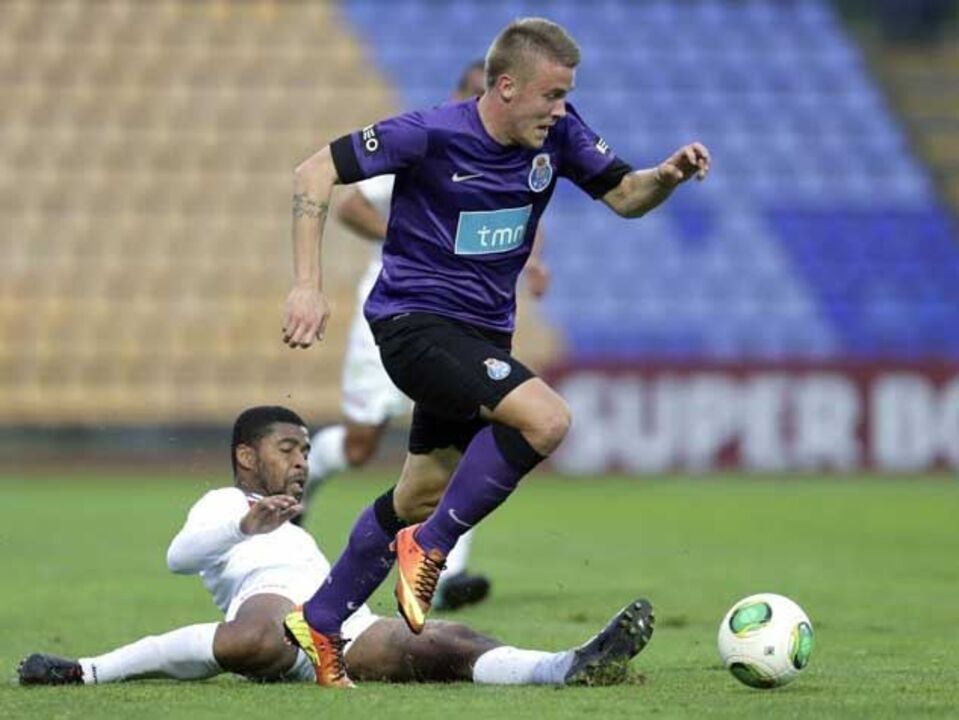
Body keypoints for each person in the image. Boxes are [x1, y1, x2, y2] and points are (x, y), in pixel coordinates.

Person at [281, 17, 708, 686]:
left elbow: (626, 195)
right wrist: (306, 287)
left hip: (479, 337)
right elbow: (313, 173)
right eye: (550, 94)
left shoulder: (559, 137)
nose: (561, 109)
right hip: (413, 324)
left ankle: (320, 620)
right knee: (546, 420)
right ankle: (433, 550)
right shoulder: (426, 133)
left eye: (566, 95)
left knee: (419, 491)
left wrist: (668, 175)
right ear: (505, 87)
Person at [17, 406, 654, 688]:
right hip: (268, 615)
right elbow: (178, 557)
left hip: (338, 625)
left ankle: (564, 666)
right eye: (288, 449)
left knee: (443, 645)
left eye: (305, 451)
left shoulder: (290, 524)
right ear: (246, 455)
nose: (302, 462)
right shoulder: (226, 505)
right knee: (256, 633)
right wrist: (247, 525)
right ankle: (89, 669)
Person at [302, 59, 550, 612]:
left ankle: (437, 566)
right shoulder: (431, 143)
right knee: (364, 444)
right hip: (402, 312)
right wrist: (421, 236)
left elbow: (522, 217)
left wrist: (533, 261)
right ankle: (309, 481)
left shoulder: (517, 157)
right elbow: (350, 204)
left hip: (463, 323)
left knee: (471, 434)